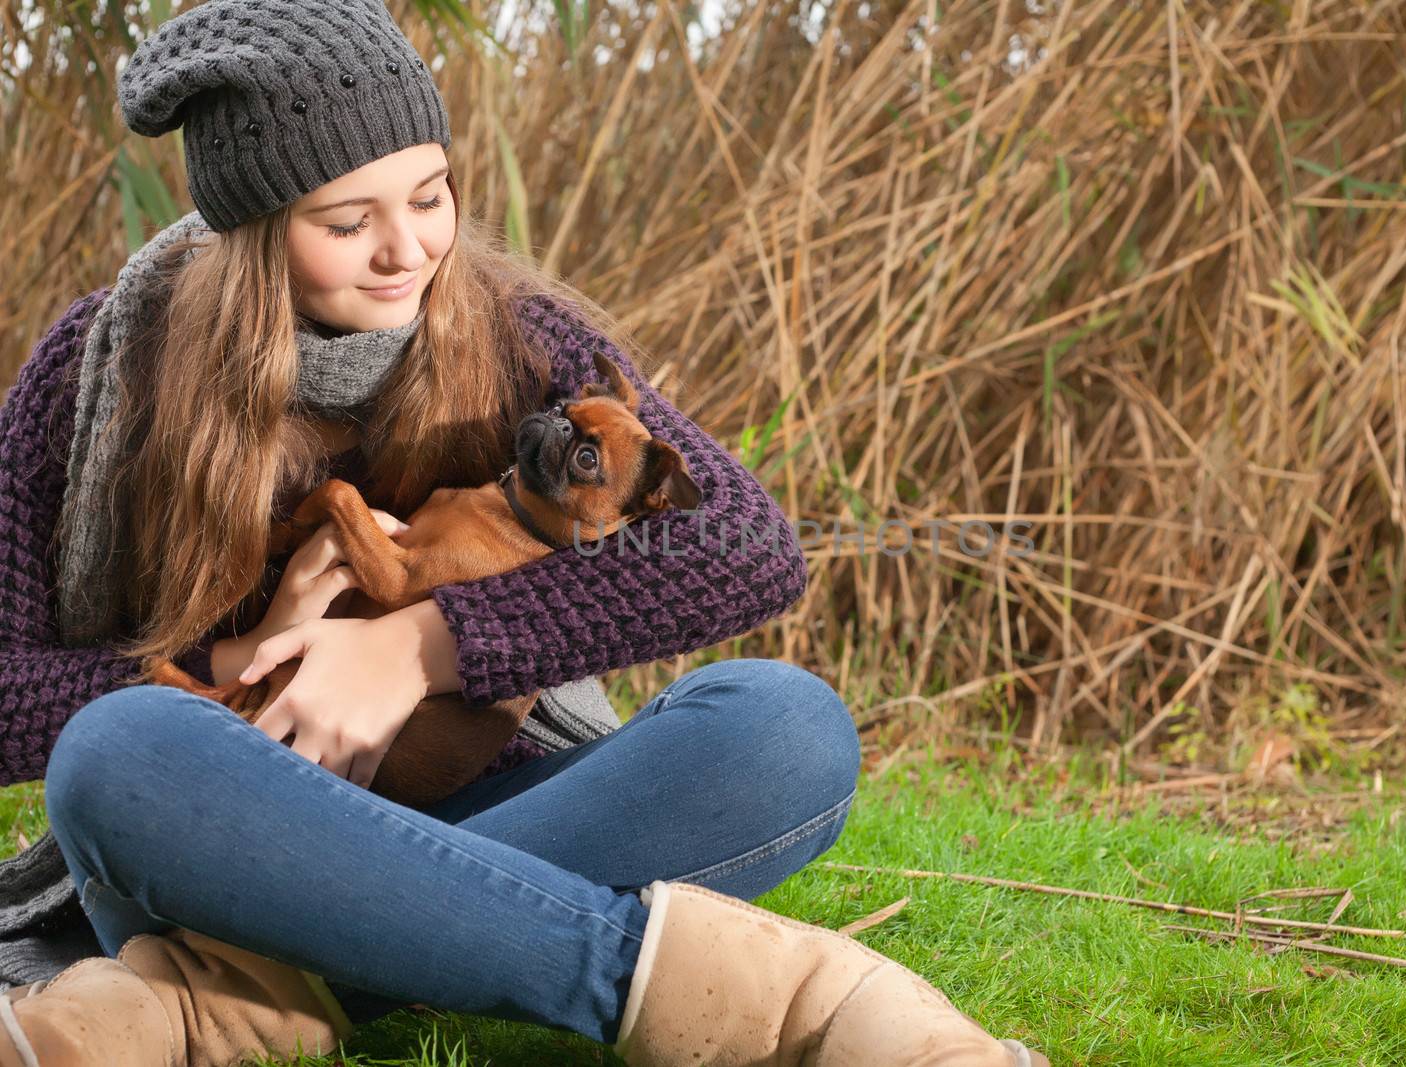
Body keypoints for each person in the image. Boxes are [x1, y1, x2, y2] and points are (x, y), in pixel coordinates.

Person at [0, 1, 1051, 1065]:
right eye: (346, 220)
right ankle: (789, 1001)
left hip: (488, 789)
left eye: (428, 193)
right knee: (117, 747)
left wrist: (414, 646)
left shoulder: (509, 332)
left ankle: (225, 1002)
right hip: (230, 824)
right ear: (254, 226)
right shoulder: (102, 372)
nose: (406, 249)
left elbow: (743, 546)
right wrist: (231, 657)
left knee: (783, 725)